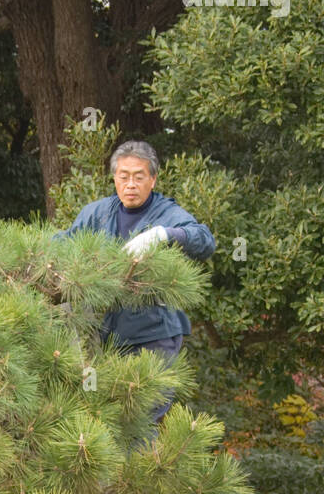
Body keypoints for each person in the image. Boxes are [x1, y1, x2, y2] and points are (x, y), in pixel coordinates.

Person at [53, 139, 216, 419]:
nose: (131, 184)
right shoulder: (97, 214)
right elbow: (62, 244)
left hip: (153, 338)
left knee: (140, 422)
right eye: (123, 176)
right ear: (114, 178)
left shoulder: (167, 213)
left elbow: (204, 240)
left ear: (152, 179)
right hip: (105, 339)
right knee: (104, 422)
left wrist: (163, 235)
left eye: (139, 177)